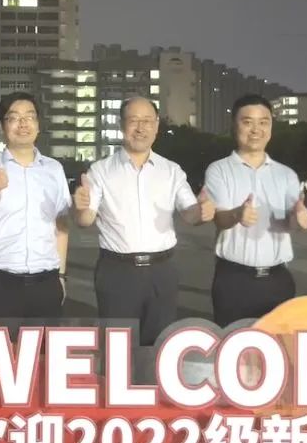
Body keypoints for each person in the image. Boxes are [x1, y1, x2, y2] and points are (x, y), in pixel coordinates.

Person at [73, 96, 214, 347]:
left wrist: (202, 212)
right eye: (133, 120)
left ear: (157, 125)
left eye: (147, 121)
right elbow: (86, 219)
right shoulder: (101, 171)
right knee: (117, 349)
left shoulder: (171, 171)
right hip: (117, 271)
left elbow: (189, 213)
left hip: (162, 271)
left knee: (159, 346)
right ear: (121, 125)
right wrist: (80, 208)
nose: (141, 128)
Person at [0, 92, 71, 324]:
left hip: (46, 283)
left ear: (38, 125)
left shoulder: (54, 169)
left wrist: (61, 275)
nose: (23, 124)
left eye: (29, 117)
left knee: (45, 347)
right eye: (14, 118)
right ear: (2, 127)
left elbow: (61, 226)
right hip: (0, 285)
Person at [204, 94, 307, 326]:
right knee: (233, 343)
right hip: (234, 281)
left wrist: (299, 218)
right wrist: (237, 214)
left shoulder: (286, 174)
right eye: (247, 122)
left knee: (277, 345)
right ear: (234, 126)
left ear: (271, 127)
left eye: (263, 122)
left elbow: (291, 222)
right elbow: (219, 218)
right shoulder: (219, 170)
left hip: (278, 280)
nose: (256, 129)